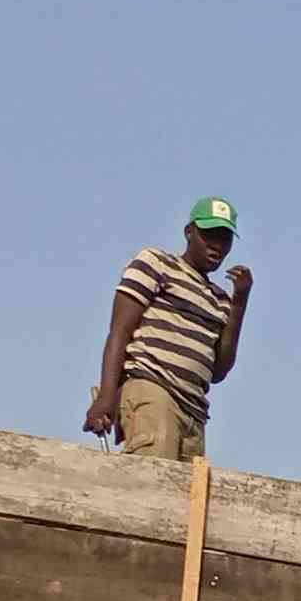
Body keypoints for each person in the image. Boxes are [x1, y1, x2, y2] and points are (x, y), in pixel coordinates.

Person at [84, 197, 254, 461]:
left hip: (194, 410)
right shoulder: (156, 263)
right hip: (154, 390)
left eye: (224, 237)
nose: (217, 244)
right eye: (209, 234)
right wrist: (106, 397)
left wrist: (239, 303)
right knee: (151, 478)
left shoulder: (220, 300)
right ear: (189, 232)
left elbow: (218, 371)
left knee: (184, 487)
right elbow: (119, 331)